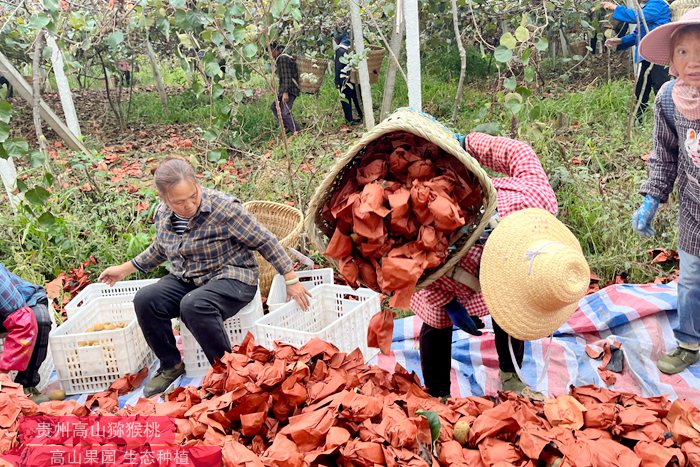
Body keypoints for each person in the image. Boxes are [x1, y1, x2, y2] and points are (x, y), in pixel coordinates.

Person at [99, 157, 312, 397]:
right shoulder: (163, 215)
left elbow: (265, 240)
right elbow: (161, 249)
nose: (189, 204)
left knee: (194, 305)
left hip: (233, 276)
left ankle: (226, 371)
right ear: (165, 199)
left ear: (197, 184)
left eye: (193, 195)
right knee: (146, 299)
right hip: (189, 277)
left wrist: (291, 280)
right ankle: (171, 364)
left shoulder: (224, 209)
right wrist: (125, 268)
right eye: (179, 202)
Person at [411, 132, 590, 398]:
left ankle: (510, 375)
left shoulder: (540, 204)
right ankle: (438, 392)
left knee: (513, 310)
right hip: (447, 246)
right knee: (436, 321)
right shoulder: (452, 241)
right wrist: (468, 143)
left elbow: (521, 154)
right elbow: (421, 271)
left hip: (478, 260)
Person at [632, 8, 700, 374]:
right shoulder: (668, 99)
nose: (694, 62)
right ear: (672, 61)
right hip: (694, 208)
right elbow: (665, 155)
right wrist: (651, 199)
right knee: (690, 280)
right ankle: (690, 342)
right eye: (684, 53)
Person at [603, 0, 671, 122]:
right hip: (647, 56)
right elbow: (637, 35)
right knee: (640, 90)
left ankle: (668, 120)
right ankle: (638, 121)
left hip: (658, 54)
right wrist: (620, 41)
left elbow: (638, 17)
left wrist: (615, 8)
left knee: (661, 88)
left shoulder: (658, 4)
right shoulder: (647, 7)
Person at [0, 263, 53, 403]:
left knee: (40, 320)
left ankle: (26, 385)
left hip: (25, 306)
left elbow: (23, 321)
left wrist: (2, 373)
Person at [270, 43, 300, 135]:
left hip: (290, 89)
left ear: (274, 50)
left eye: (270, 51)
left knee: (285, 113)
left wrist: (285, 92)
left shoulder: (282, 59)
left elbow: (287, 77)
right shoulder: (282, 58)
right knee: (275, 106)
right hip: (285, 89)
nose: (270, 54)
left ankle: (296, 131)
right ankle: (286, 127)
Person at [333, 33, 363, 125]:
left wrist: (337, 81)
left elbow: (338, 67)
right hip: (355, 78)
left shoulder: (340, 50)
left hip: (344, 80)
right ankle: (363, 116)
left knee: (346, 101)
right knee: (358, 98)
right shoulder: (353, 48)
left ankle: (349, 120)